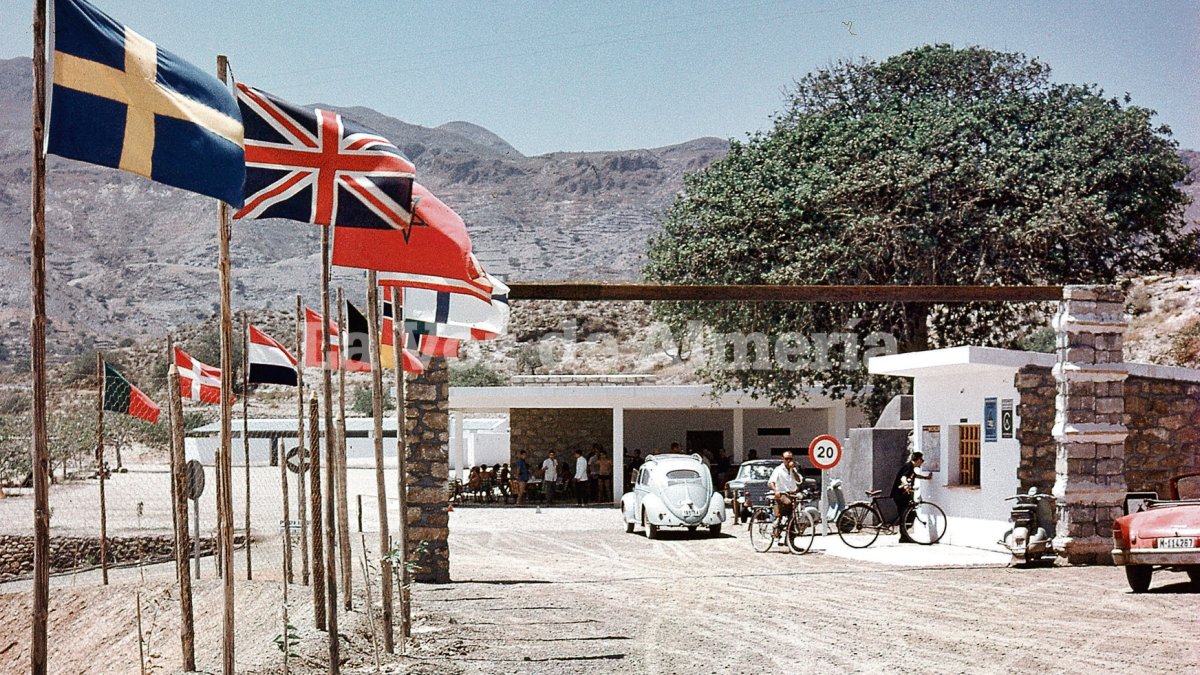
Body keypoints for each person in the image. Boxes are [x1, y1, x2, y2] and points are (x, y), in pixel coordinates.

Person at [891, 451, 933, 542]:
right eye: (922, 460)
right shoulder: (909, 467)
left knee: (905, 514)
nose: (922, 462)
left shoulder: (910, 467)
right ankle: (904, 536)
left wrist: (926, 478)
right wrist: (906, 485)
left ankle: (904, 536)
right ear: (918, 460)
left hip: (901, 494)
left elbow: (914, 476)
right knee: (906, 514)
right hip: (900, 495)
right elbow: (903, 478)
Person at [767, 451, 803, 543]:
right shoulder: (778, 470)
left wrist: (793, 470)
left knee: (794, 514)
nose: (789, 461)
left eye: (790, 459)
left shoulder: (793, 469)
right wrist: (776, 491)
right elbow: (771, 482)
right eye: (787, 459)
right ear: (782, 459)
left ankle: (790, 541)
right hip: (782, 494)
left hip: (793, 493)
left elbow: (799, 481)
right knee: (788, 505)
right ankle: (778, 524)